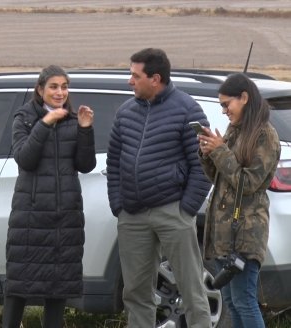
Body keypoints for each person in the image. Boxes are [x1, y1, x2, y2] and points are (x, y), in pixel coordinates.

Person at [106, 48, 213, 327]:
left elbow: (203, 165)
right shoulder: (125, 112)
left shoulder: (188, 109)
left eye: (134, 75)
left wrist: (186, 209)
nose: (130, 81)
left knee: (192, 289)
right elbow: (114, 162)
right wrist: (118, 204)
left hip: (172, 211)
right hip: (132, 215)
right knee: (136, 293)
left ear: (155, 78)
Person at [2, 65, 96, 328]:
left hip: (65, 218)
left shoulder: (73, 119)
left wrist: (86, 129)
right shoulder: (24, 118)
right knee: (18, 285)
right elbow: (25, 159)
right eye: (54, 87)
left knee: (58, 288)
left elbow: (85, 164)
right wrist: (46, 123)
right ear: (40, 89)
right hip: (30, 217)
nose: (60, 92)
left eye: (64, 87)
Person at [198, 73, 281, 328]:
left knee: (244, 301)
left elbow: (248, 183)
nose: (223, 111)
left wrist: (221, 151)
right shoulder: (235, 130)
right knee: (232, 303)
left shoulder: (264, 135)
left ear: (244, 98)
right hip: (225, 233)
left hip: (245, 232)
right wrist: (207, 154)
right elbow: (221, 178)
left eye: (226, 104)